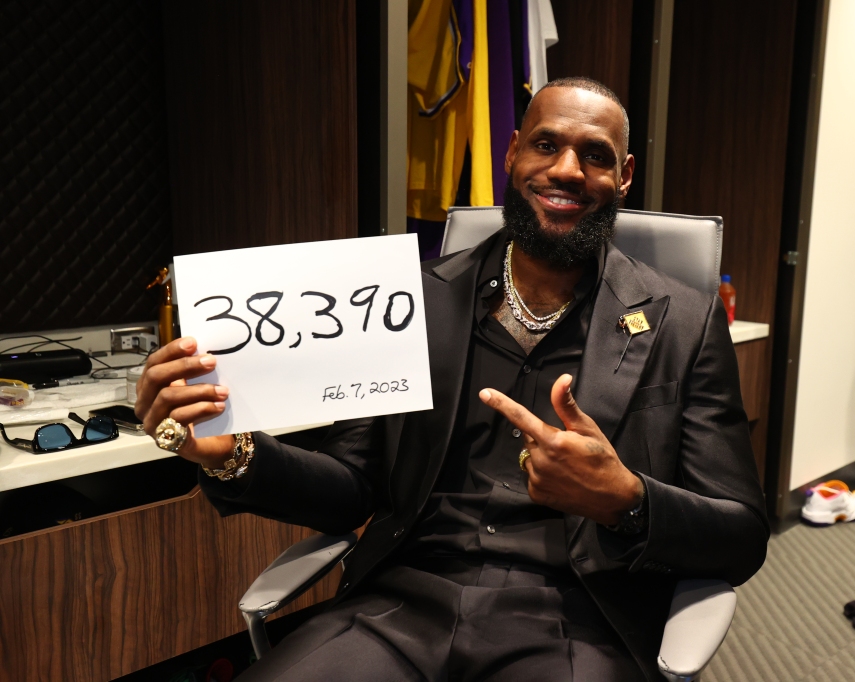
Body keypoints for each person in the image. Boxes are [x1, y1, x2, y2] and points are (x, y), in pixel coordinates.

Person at [135, 77, 769, 681]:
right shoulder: (410, 301)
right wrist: (233, 457)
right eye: (546, 144)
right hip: (402, 608)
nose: (568, 170)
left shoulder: (683, 321)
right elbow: (354, 487)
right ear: (513, 154)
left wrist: (626, 499)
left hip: (575, 620)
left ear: (623, 177)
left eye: (595, 155)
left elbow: (739, 535)